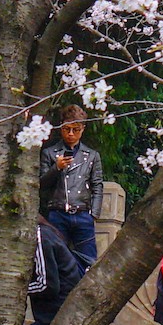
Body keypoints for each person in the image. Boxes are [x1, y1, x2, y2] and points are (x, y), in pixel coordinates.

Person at [40, 106, 104, 265]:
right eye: (67, 129)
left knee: (88, 259)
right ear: (61, 126)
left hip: (83, 213)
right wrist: (57, 167)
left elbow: (97, 185)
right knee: (57, 258)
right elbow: (41, 184)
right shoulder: (49, 153)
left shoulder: (92, 155)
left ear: (83, 129)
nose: (71, 134)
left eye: (76, 129)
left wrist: (94, 213)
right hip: (57, 212)